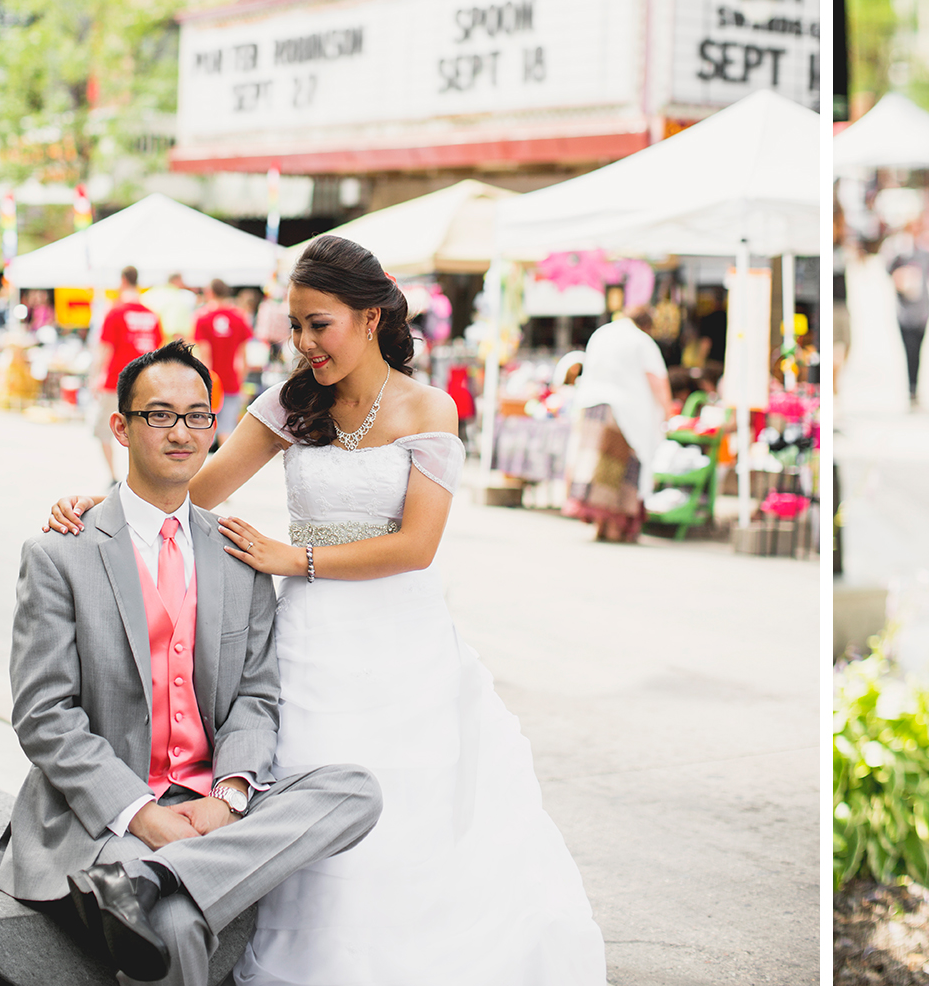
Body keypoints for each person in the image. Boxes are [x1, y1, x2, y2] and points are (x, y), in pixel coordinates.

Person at [46, 235, 607, 983]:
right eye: (296, 326)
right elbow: (196, 487)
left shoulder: (429, 408)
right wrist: (102, 506)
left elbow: (417, 546)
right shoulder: (292, 402)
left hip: (400, 636)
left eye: (320, 324)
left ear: (371, 318)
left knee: (404, 796)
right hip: (307, 632)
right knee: (289, 777)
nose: (305, 343)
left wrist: (293, 559)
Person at [0, 341, 383, 986]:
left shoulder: (239, 553)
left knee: (354, 790)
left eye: (198, 416)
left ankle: (147, 879)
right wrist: (142, 814)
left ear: (214, 426)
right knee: (176, 928)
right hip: (105, 810)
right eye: (159, 415)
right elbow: (44, 716)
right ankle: (147, 877)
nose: (182, 433)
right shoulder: (60, 554)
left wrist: (229, 797)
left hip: (207, 797)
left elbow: (256, 697)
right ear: (121, 427)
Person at [566, 304, 674, 542]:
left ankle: (600, 526)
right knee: (620, 472)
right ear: (646, 325)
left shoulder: (602, 333)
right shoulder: (641, 341)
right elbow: (657, 381)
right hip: (626, 414)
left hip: (591, 408)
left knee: (597, 471)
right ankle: (615, 528)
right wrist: (668, 413)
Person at [95, 268, 165, 482]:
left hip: (115, 380)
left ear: (123, 281)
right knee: (141, 431)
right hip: (146, 382)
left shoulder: (115, 312)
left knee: (105, 429)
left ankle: (114, 476)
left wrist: (96, 377)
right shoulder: (151, 314)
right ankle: (137, 477)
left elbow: (105, 349)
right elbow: (158, 350)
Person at [193, 280, 254, 448]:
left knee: (204, 428)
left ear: (210, 293)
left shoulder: (203, 318)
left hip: (211, 382)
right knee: (226, 429)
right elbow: (243, 357)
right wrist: (241, 381)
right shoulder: (239, 317)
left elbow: (205, 357)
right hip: (231, 380)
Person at [886, 219, 929, 406]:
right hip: (905, 311)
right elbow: (888, 270)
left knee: (919, 350)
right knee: (909, 349)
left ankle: (915, 386)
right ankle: (911, 387)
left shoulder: (926, 252)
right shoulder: (899, 252)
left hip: (922, 310)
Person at [143, 272, 199, 344]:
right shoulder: (177, 299)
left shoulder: (149, 295)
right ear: (177, 280)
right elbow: (177, 331)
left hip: (146, 345)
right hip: (167, 346)